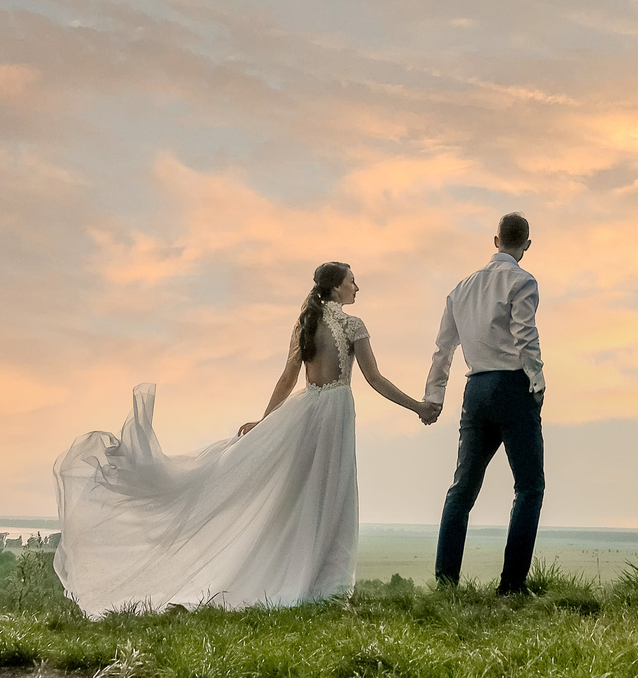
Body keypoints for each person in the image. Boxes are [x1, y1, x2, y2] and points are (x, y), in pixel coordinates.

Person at [52, 261, 438, 616]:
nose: (358, 286)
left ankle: (311, 582)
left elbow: (289, 379)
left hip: (306, 414)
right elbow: (374, 378)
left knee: (299, 499)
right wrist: (418, 407)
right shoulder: (354, 325)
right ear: (337, 288)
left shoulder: (306, 322)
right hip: (334, 415)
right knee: (331, 497)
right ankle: (327, 587)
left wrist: (267, 422)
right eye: (353, 280)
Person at [425, 212, 547, 594]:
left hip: (475, 389)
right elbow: (525, 334)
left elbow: (443, 349)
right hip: (511, 385)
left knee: (462, 489)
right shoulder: (522, 281)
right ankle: (511, 585)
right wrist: (537, 380)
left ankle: (446, 584)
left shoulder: (460, 289)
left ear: (495, 240)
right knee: (529, 486)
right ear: (526, 244)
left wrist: (434, 397)